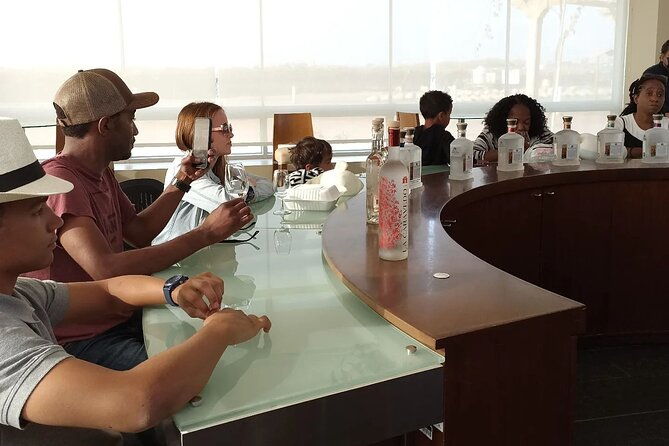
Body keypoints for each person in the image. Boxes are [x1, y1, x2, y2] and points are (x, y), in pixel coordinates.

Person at [0, 117, 271, 445]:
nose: (55, 220)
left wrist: (174, 289)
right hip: (96, 370)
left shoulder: (21, 294)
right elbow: (136, 403)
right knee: (206, 390)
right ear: (104, 125)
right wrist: (221, 329)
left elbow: (109, 290)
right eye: (35, 211)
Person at [24, 69, 254, 371]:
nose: (135, 130)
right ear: (105, 125)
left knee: (226, 340)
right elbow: (106, 268)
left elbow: (139, 231)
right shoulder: (62, 181)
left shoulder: (100, 173)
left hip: (121, 317)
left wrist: (182, 181)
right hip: (84, 339)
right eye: (130, 118)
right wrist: (205, 234)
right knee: (203, 369)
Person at [152, 102, 273, 245]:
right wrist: (247, 189)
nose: (231, 134)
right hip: (175, 254)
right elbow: (231, 207)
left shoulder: (221, 166)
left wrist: (248, 193)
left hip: (206, 249)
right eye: (224, 129)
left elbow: (268, 185)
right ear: (201, 134)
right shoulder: (184, 169)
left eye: (230, 128)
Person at [473, 94, 553, 163]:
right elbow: (472, 154)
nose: (521, 127)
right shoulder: (491, 132)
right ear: (503, 121)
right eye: (514, 122)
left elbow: (557, 148)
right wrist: (509, 152)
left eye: (526, 122)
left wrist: (528, 151)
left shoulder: (540, 132)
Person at [618, 74, 667, 158]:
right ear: (636, 98)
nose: (655, 99)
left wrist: (629, 151)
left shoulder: (667, 124)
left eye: (660, 95)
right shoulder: (621, 123)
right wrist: (648, 151)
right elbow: (606, 149)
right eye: (649, 93)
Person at [413, 90, 454, 166]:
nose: (449, 118)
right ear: (441, 116)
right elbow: (457, 160)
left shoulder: (415, 133)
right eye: (449, 114)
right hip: (439, 174)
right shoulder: (444, 136)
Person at [643, 39, 669, 115]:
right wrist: (665, 112)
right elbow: (647, 99)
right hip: (658, 117)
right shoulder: (651, 74)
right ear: (662, 57)